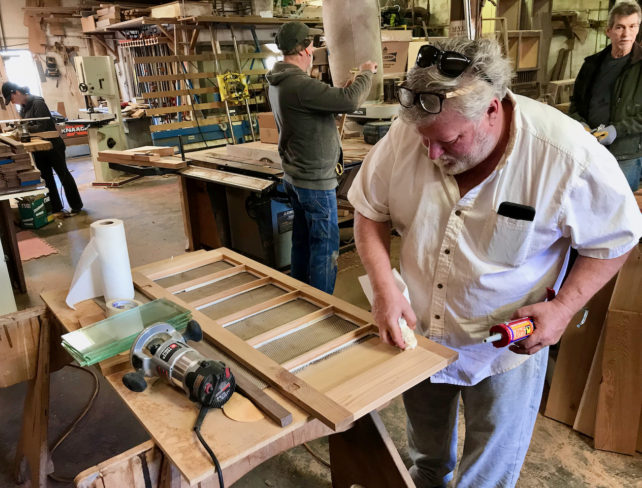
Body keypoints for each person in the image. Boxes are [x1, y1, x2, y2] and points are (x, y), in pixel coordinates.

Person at [348, 38, 642, 488]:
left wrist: (562, 309)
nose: (431, 154)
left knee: (488, 469)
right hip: (419, 333)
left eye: (448, 141)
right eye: (425, 140)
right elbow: (368, 210)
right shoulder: (411, 134)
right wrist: (385, 287)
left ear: (492, 110)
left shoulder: (565, 156)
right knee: (425, 458)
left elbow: (617, 237)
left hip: (504, 345)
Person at [266, 21, 377, 294]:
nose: (314, 49)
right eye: (312, 45)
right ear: (305, 50)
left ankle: (303, 297)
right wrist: (365, 74)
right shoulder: (298, 85)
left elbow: (323, 106)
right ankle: (322, 306)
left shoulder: (279, 82)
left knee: (303, 242)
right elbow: (350, 101)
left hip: (296, 177)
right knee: (325, 248)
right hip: (314, 181)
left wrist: (343, 92)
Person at [569, 1, 642, 192]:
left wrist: (616, 130)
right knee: (586, 198)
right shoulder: (592, 65)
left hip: (625, 154)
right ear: (608, 31)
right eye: (620, 27)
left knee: (618, 203)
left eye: (632, 26)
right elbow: (576, 103)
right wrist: (581, 125)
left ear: (638, 28)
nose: (626, 34)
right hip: (590, 148)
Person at [2, 82, 83, 216]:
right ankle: (56, 207)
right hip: (38, 147)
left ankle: (76, 205)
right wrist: (19, 129)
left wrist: (23, 129)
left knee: (63, 174)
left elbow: (41, 126)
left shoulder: (38, 103)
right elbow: (27, 125)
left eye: (11, 99)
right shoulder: (23, 107)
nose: (12, 102)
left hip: (52, 145)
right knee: (46, 178)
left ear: (16, 92)